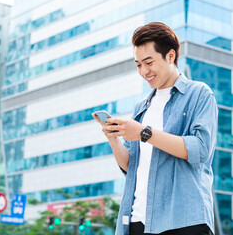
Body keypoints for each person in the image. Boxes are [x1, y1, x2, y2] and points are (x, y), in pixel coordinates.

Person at [92, 22, 218, 235]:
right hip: (137, 220)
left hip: (183, 220)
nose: (144, 71)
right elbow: (131, 166)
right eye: (138, 64)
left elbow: (201, 149)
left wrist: (144, 133)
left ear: (170, 56)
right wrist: (114, 138)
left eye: (148, 62)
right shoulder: (141, 108)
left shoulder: (199, 94)